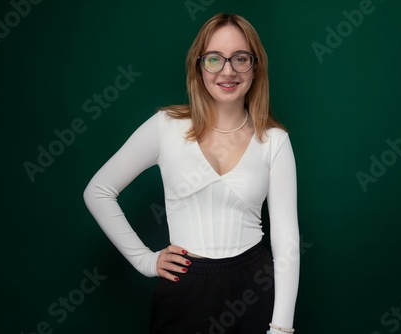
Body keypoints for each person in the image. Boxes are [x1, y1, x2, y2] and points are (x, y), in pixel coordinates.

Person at [84, 13, 300, 334]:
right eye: (215, 59)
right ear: (199, 67)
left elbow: (286, 241)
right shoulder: (165, 126)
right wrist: (145, 260)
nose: (228, 70)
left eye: (240, 58)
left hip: (256, 288)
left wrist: (281, 329)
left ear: (255, 67)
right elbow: (98, 191)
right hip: (185, 288)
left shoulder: (274, 141)